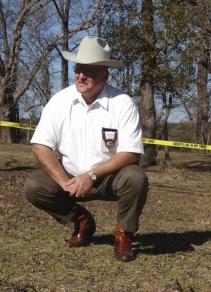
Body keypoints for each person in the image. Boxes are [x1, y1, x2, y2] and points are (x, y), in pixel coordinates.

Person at [23, 36, 148, 262]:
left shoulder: (122, 103)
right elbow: (40, 146)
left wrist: (91, 176)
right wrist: (64, 181)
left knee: (136, 178)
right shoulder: (59, 101)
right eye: (79, 69)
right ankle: (81, 221)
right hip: (70, 175)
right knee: (34, 186)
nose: (81, 76)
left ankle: (123, 235)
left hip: (110, 177)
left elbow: (131, 154)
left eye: (89, 71)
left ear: (105, 74)